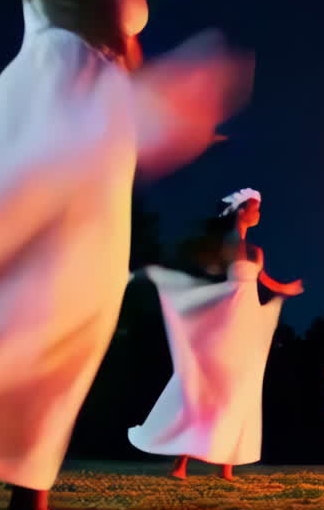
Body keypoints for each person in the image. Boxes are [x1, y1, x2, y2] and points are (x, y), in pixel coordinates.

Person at [0, 0, 250, 510]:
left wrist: (159, 102)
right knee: (20, 289)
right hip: (55, 102)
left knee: (85, 301)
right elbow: (65, 2)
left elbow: (121, 46)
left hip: (105, 129)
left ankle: (30, 500)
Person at [128, 189, 303, 481]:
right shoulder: (223, 247)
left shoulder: (256, 251)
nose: (259, 213)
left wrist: (285, 289)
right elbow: (206, 276)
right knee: (207, 381)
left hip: (247, 319)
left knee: (240, 383)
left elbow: (264, 280)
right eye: (255, 208)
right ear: (241, 211)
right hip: (225, 316)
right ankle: (180, 464)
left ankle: (227, 465)